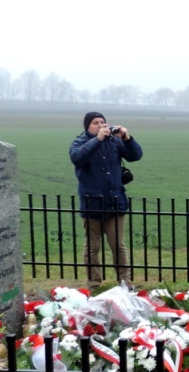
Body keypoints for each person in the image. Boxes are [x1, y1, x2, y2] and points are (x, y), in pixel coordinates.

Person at [69, 112, 144, 287]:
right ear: (87, 126)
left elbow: (136, 155)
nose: (100, 125)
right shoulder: (79, 143)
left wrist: (126, 138)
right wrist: (98, 140)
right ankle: (94, 282)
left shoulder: (114, 142)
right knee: (92, 247)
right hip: (92, 204)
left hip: (115, 202)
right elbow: (77, 157)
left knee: (118, 246)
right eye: (96, 123)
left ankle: (125, 281)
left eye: (103, 122)